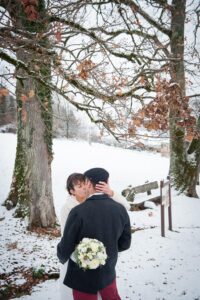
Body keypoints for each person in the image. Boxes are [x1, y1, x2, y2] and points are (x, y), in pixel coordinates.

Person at [57, 168, 132, 300]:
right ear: (107, 181)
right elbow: (125, 244)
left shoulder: (77, 212)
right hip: (108, 270)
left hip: (82, 275)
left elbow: (66, 246)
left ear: (88, 184)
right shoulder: (120, 209)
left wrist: (62, 255)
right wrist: (107, 251)